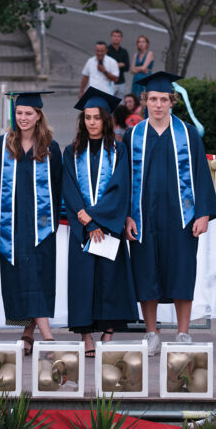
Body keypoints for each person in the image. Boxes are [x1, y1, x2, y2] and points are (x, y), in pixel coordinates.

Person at [123, 72, 216, 355]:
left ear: (172, 102)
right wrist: (128, 215)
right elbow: (125, 180)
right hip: (144, 217)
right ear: (144, 102)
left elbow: (202, 174)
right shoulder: (133, 135)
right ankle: (151, 333)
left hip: (182, 217)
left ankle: (183, 333)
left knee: (182, 271)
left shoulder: (187, 134)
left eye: (163, 99)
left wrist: (202, 213)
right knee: (146, 272)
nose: (158, 105)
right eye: (152, 99)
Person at [63, 88, 138, 356]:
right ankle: (86, 337)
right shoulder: (71, 151)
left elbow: (120, 187)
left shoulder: (118, 149)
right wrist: (85, 219)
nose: (91, 122)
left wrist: (97, 217)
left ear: (105, 119)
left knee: (109, 280)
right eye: (87, 117)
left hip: (108, 226)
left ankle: (108, 331)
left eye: (96, 117)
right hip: (84, 228)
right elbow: (69, 187)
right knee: (83, 280)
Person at [0, 91, 62, 354]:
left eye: (28, 113)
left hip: (41, 227)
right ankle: (38, 335)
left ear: (38, 115)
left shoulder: (51, 148)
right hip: (12, 225)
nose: (23, 118)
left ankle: (41, 336)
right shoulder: (1, 145)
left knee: (37, 278)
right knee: (24, 278)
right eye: (19, 113)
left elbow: (57, 185)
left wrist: (52, 221)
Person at [107, 30, 130, 99]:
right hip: (109, 82)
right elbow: (106, 66)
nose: (116, 38)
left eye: (118, 36)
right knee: (109, 103)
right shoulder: (106, 50)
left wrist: (114, 65)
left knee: (120, 105)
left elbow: (127, 67)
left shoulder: (124, 51)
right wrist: (118, 65)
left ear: (121, 38)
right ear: (111, 37)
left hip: (121, 82)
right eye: (114, 36)